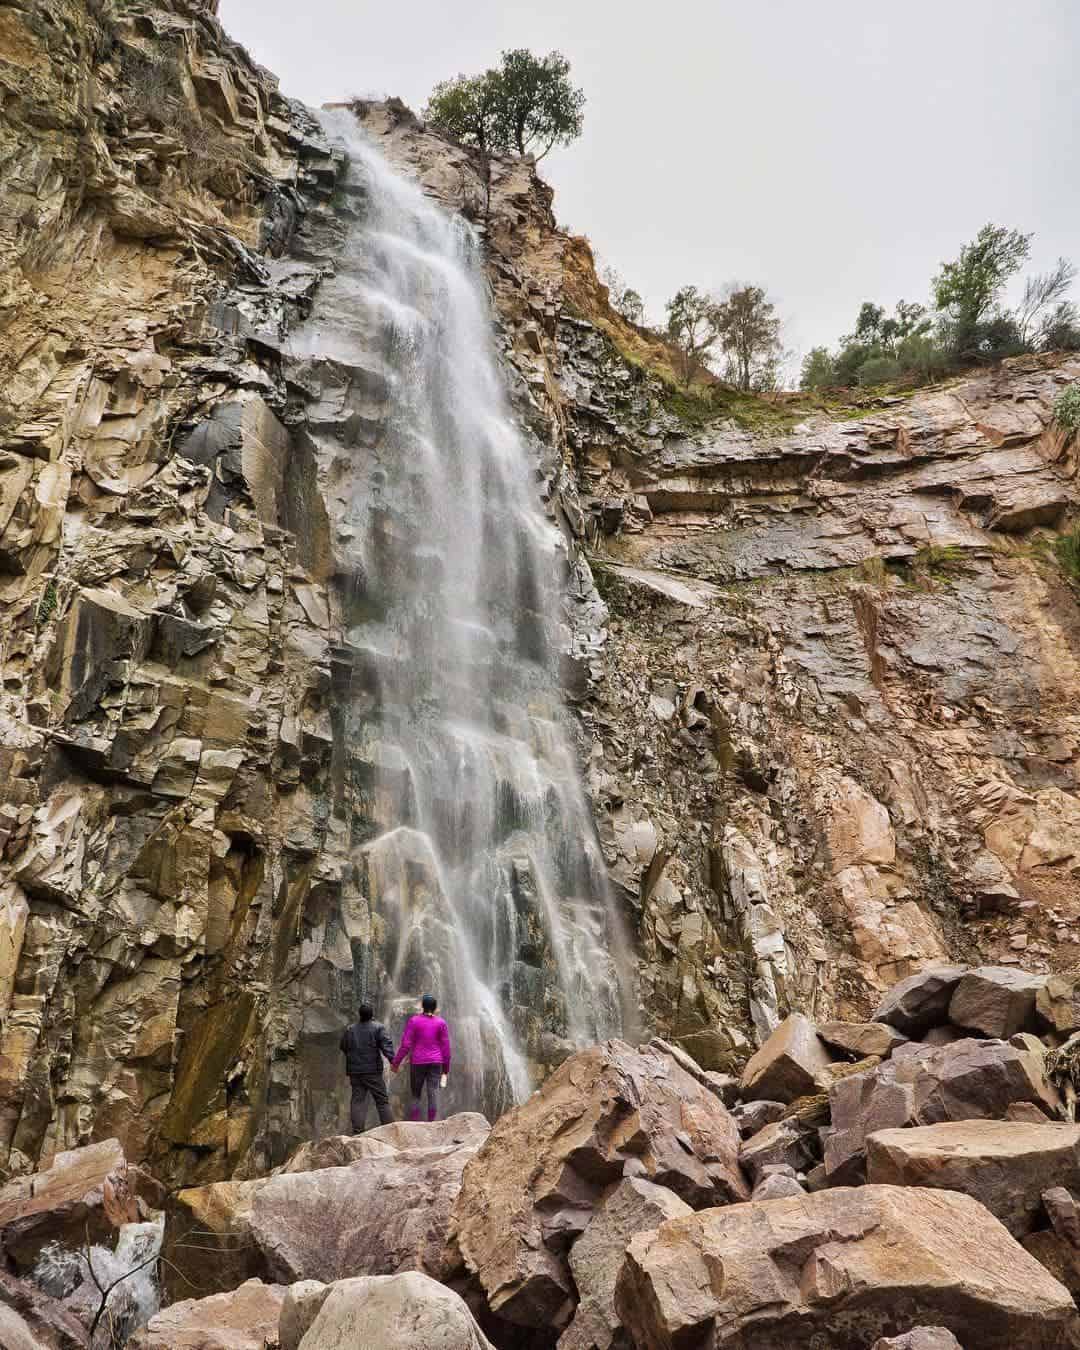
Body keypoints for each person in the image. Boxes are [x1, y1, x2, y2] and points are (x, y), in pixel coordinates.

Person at [391, 993, 451, 1122]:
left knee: (416, 1093)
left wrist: (396, 1063)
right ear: (435, 1008)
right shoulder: (441, 1023)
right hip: (436, 1062)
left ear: (423, 1006)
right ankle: (431, 1122)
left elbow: (406, 1045)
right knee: (433, 1092)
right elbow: (446, 1048)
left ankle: (414, 1121)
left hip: (418, 1062)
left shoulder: (414, 1021)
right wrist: (446, 1069)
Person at [340, 1002, 395, 1131]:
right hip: (372, 1071)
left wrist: (353, 1056)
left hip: (355, 1072)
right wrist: (394, 1061)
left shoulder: (350, 1029)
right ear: (372, 1015)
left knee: (357, 1100)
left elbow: (343, 1046)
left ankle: (358, 1131)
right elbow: (386, 1046)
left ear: (360, 1015)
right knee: (381, 1100)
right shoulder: (378, 1028)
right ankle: (390, 1130)